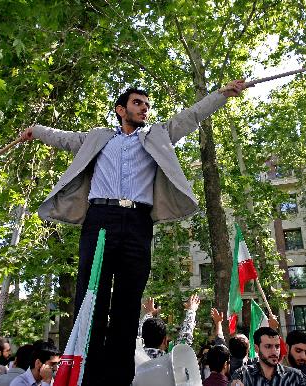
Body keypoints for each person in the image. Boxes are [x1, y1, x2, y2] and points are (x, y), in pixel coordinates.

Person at [20, 79, 248, 385]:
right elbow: (64, 139)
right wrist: (36, 131)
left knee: (128, 304)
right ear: (120, 109)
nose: (144, 108)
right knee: (92, 297)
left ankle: (118, 379)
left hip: (138, 223)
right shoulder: (98, 138)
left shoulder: (157, 135)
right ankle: (87, 375)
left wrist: (221, 94)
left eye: (147, 105)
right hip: (99, 219)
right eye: (138, 103)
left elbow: (191, 116)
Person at [231, 327, 306, 386]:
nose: (274, 351)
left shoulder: (295, 376)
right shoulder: (242, 374)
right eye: (268, 346)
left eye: (277, 346)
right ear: (256, 348)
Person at [139, 294, 201, 358]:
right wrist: (191, 311)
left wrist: (148, 314)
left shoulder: (136, 357)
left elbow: (138, 334)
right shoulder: (171, 362)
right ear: (165, 341)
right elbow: (185, 339)